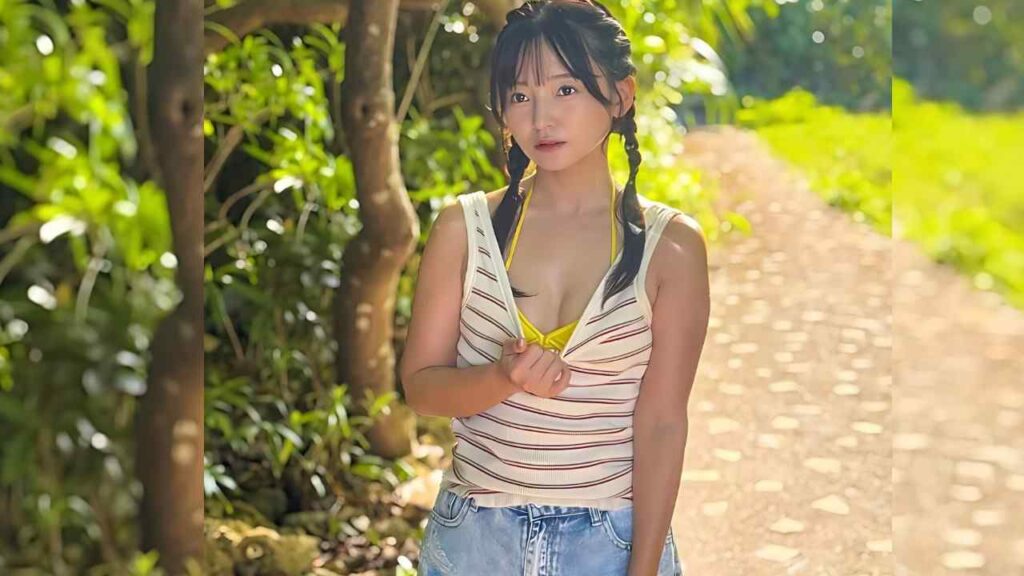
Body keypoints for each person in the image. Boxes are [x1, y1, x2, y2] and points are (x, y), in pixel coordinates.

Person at [398, 1, 710, 574]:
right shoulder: (463, 231)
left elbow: (663, 421)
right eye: (520, 96)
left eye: (566, 90)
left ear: (620, 96)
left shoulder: (673, 248)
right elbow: (420, 387)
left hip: (608, 540)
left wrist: (640, 570)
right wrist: (500, 378)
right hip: (474, 539)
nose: (541, 118)